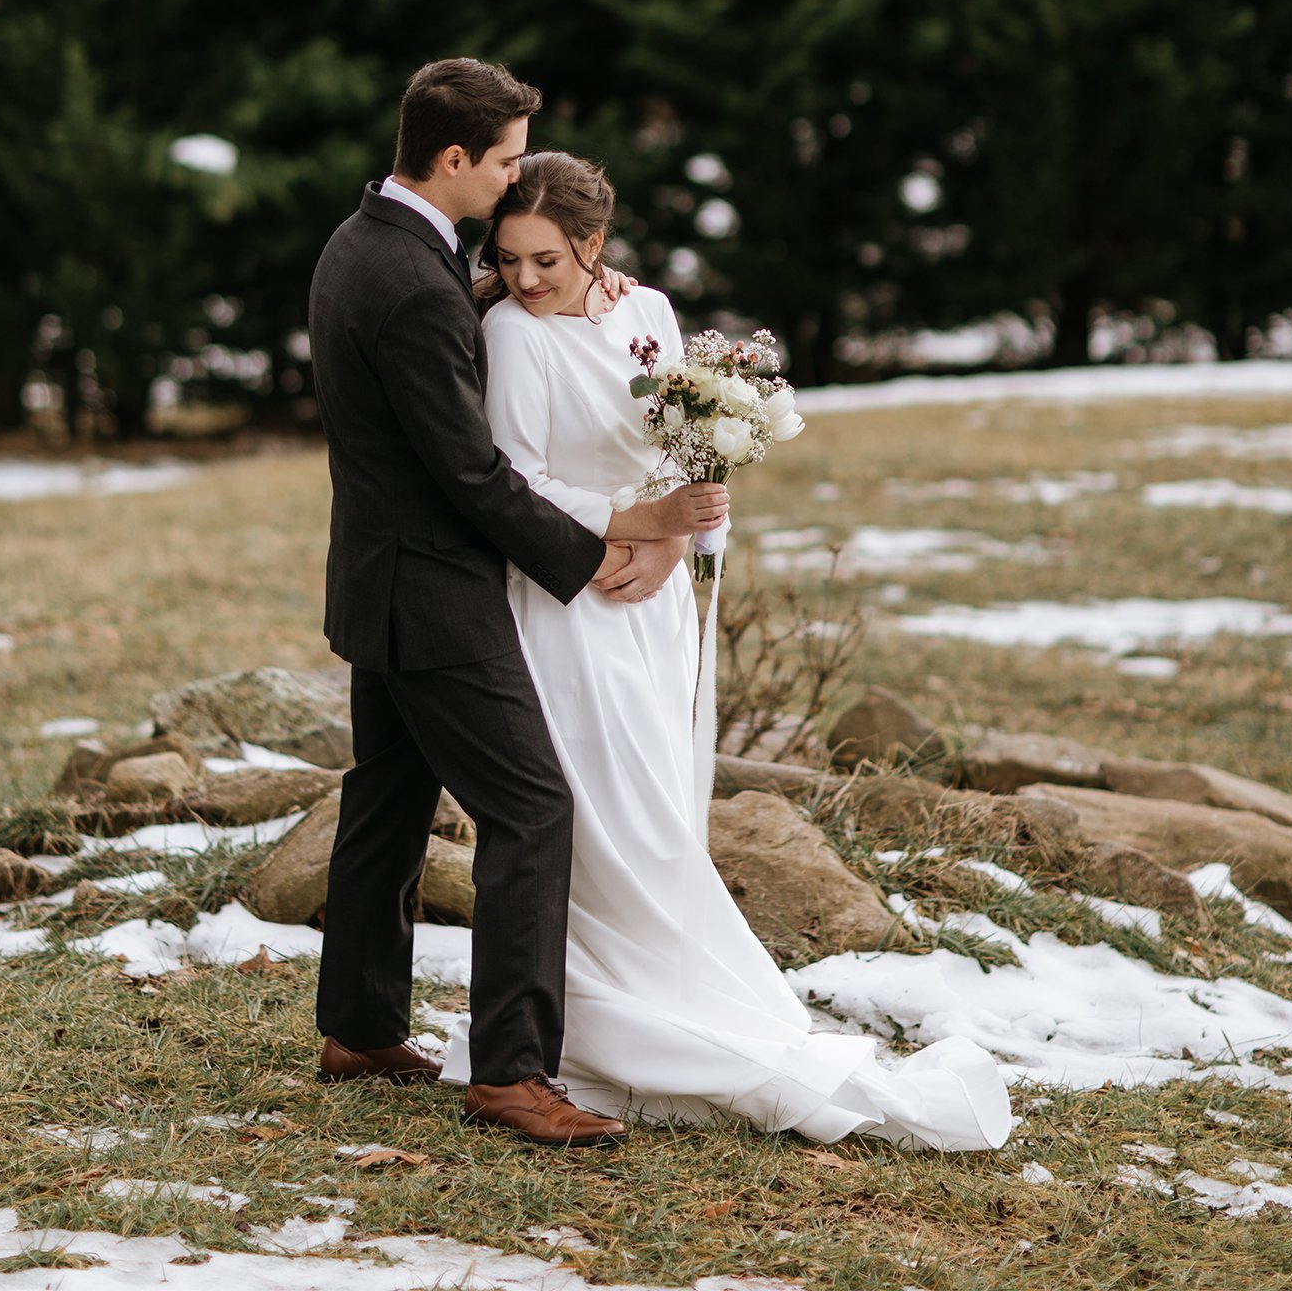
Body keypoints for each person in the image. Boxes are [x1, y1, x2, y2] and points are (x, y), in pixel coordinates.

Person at [438, 148, 1014, 1151]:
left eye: (547, 261)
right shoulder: (510, 338)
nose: (526, 281)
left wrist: (674, 539)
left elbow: (685, 453)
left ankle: (623, 1006)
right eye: (509, 259)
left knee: (660, 804)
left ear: (595, 245)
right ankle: (576, 1028)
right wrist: (635, 521)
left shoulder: (647, 313)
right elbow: (513, 487)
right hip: (565, 604)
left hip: (652, 602)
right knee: (605, 817)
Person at [307, 58, 728, 1150]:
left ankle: (356, 1028)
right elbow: (473, 476)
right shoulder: (410, 281)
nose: (510, 180)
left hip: (374, 580)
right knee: (534, 809)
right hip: (434, 595)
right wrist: (599, 548)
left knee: (389, 798)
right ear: (453, 159)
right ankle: (511, 1072)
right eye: (501, 162)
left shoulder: (367, 240)